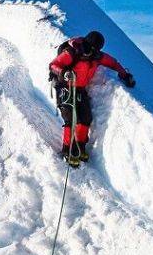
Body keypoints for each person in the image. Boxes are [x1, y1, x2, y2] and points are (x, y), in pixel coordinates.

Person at [49, 31, 136, 167]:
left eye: (95, 49)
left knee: (85, 118)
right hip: (65, 87)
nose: (91, 51)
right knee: (70, 118)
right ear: (85, 43)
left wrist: (124, 75)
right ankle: (66, 150)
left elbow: (113, 63)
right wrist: (64, 73)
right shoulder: (73, 52)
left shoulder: (97, 57)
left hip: (80, 89)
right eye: (91, 48)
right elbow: (53, 65)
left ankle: (80, 146)